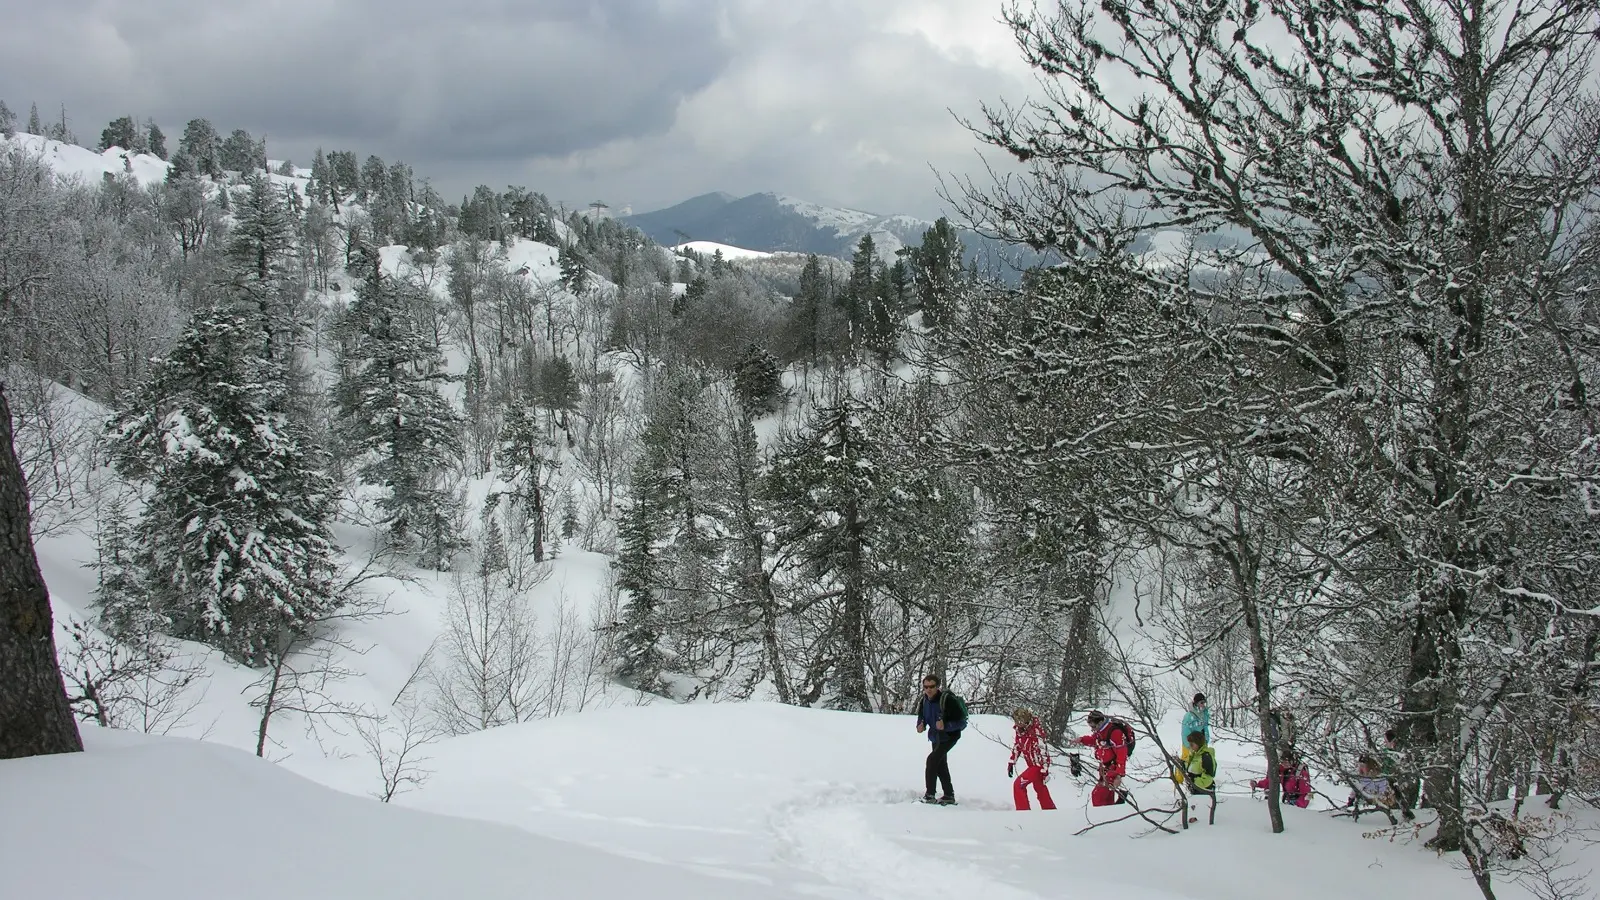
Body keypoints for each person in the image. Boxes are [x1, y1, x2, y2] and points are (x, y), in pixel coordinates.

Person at [915, 674, 966, 805]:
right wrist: (920, 724)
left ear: (937, 687)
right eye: (926, 687)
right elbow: (922, 716)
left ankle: (929, 795)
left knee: (932, 760)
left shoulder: (948, 700)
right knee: (940, 765)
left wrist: (946, 726)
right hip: (935, 737)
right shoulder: (924, 700)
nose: (928, 690)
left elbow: (962, 722)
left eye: (931, 686)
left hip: (949, 737)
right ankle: (949, 795)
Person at [1077, 709, 1131, 807]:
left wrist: (1119, 775)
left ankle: (1101, 817)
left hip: (1113, 769)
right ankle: (1109, 816)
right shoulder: (1100, 731)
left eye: (1093, 726)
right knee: (1107, 798)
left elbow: (1122, 754)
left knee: (1098, 796)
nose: (1093, 729)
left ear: (1101, 722)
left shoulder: (1115, 732)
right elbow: (1095, 741)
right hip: (1104, 769)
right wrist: (1082, 740)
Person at [1008, 708, 1056, 810]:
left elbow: (1043, 750)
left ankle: (1024, 812)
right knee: (1040, 789)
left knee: (1018, 785)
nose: (1017, 724)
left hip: (1038, 766)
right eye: (1016, 721)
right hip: (1031, 765)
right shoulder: (1020, 731)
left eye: (1019, 721)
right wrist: (1012, 761)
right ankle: (1050, 812)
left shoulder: (1035, 731)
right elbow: (1017, 746)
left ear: (1025, 720)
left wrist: (1045, 769)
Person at [1382, 730, 1418, 820]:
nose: (1384, 743)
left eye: (1386, 741)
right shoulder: (1387, 752)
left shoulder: (1399, 753)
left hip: (1403, 784)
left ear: (1392, 741)